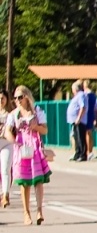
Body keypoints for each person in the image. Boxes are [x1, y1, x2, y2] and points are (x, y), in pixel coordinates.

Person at [7, 86, 50, 224]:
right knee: (24, 182)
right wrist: (15, 143)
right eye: (15, 98)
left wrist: (35, 126)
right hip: (22, 147)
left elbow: (45, 130)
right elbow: (8, 131)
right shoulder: (14, 114)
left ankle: (39, 211)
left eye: (20, 97)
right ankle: (26, 213)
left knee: (38, 180)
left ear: (26, 97)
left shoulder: (37, 111)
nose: (17, 100)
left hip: (35, 146)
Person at [66, 81, 95, 161]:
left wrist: (79, 117)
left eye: (73, 89)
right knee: (76, 138)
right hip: (75, 121)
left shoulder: (81, 95)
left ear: (76, 89)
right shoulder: (77, 96)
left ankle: (83, 155)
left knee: (81, 138)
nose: (72, 90)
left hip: (79, 121)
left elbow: (83, 107)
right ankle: (78, 153)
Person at [0, 92, 13, 209]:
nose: (0, 101)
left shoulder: (10, 114)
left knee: (5, 169)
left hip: (6, 144)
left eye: (2, 98)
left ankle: (5, 195)